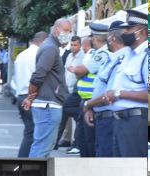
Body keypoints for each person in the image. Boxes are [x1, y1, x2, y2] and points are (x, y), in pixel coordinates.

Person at [102, 10, 149, 157]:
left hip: (135, 122)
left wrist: (118, 94)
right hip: (120, 121)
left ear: (141, 32)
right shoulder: (130, 55)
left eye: (129, 29)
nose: (124, 32)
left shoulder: (147, 56)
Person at [22, 18, 71, 158]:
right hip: (48, 106)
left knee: (43, 147)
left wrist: (31, 96)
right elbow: (38, 75)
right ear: (56, 30)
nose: (68, 34)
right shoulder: (50, 48)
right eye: (66, 31)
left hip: (48, 104)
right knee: (42, 148)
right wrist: (30, 96)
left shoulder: (50, 47)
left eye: (70, 31)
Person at [82, 21, 129, 157]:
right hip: (101, 117)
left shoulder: (121, 60)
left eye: (108, 37)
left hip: (109, 119)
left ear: (112, 38)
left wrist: (87, 104)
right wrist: (91, 108)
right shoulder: (112, 59)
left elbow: (109, 95)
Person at [71, 23, 111, 157]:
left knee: (90, 142)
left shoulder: (103, 54)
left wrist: (78, 71)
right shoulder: (95, 53)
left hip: (93, 102)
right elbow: (79, 72)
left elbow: (79, 70)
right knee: (83, 140)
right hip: (87, 102)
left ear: (95, 38)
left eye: (91, 36)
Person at [12, 31, 49, 157]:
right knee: (35, 135)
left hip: (21, 96)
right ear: (44, 41)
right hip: (33, 97)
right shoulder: (39, 54)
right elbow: (39, 78)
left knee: (29, 133)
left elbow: (15, 79)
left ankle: (22, 160)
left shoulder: (21, 55)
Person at [54, 36, 84, 151]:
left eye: (75, 45)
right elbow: (65, 73)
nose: (72, 47)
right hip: (66, 90)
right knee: (63, 118)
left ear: (80, 45)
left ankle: (76, 143)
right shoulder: (69, 56)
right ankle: (59, 141)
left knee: (74, 117)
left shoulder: (83, 57)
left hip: (76, 92)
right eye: (71, 45)